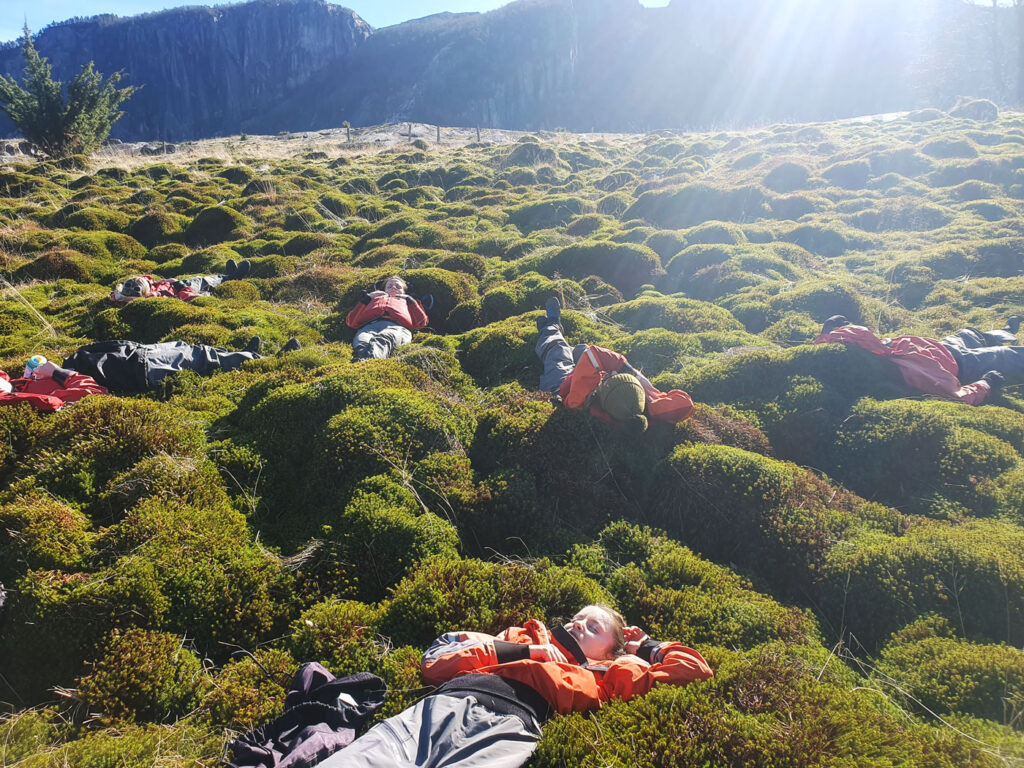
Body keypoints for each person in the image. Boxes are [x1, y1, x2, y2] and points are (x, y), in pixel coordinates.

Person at [316, 603, 712, 768]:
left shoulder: (608, 675)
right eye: (578, 617)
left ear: (607, 650)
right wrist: (523, 651)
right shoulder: (523, 637)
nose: (579, 625)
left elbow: (695, 670)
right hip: (446, 706)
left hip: (508, 731)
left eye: (594, 628)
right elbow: (435, 665)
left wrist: (647, 647)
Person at [535, 297, 695, 433]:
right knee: (581, 349)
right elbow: (686, 404)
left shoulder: (579, 401)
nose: (612, 373)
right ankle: (556, 337)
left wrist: (624, 368)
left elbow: (593, 354)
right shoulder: (643, 404)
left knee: (557, 350)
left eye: (611, 379)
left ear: (603, 398)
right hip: (588, 378)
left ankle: (551, 326)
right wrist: (649, 399)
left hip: (563, 385)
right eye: (620, 376)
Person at [812, 314, 1022, 405]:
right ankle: (1003, 341)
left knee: (969, 334)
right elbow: (959, 397)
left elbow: (835, 340)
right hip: (962, 365)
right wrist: (987, 383)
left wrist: (830, 331)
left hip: (940, 346)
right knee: (1013, 358)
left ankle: (1004, 333)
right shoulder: (911, 373)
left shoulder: (857, 347)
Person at [61, 335, 299, 394]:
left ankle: (245, 354)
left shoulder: (71, 366)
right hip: (143, 366)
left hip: (142, 357)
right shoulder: (69, 374)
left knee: (192, 349)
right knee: (200, 359)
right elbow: (114, 344)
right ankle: (267, 362)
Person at [345, 276, 429, 361]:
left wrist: (410, 300)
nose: (393, 287)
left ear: (404, 291)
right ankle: (367, 365)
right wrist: (367, 298)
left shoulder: (408, 301)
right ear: (384, 289)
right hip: (369, 327)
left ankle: (365, 365)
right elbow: (351, 322)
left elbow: (422, 323)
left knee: (384, 338)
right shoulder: (373, 298)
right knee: (363, 342)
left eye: (398, 287)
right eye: (389, 286)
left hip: (398, 328)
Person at [110, 259, 252, 305]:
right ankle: (231, 278)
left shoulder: (144, 289)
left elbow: (148, 281)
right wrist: (180, 285)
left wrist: (164, 281)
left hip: (175, 285)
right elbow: (184, 298)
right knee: (203, 282)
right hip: (182, 290)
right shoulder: (153, 298)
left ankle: (227, 276)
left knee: (201, 279)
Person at [0, 359, 108, 412]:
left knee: (35, 360)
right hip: (102, 378)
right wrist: (57, 372)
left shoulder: (6, 384)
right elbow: (95, 395)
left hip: (16, 386)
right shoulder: (40, 400)